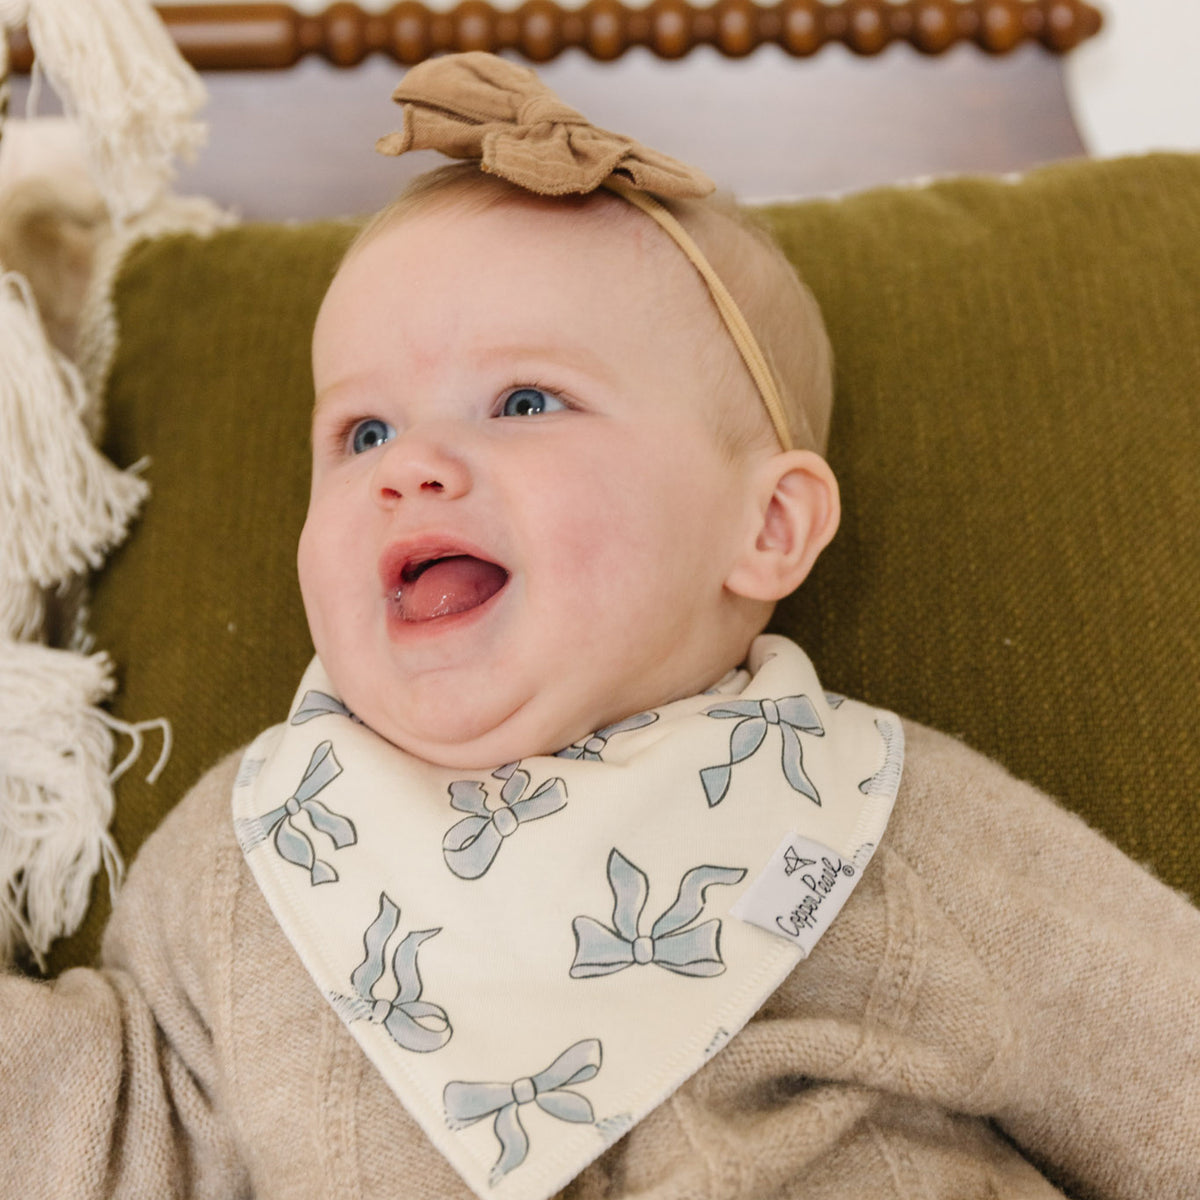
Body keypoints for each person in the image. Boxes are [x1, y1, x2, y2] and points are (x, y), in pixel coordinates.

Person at [3, 52, 1199, 1200]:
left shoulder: (878, 822)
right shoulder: (250, 851)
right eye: (362, 433)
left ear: (768, 527)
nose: (408, 465)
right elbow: (114, 1134)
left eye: (526, 401)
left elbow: (1165, 1058)